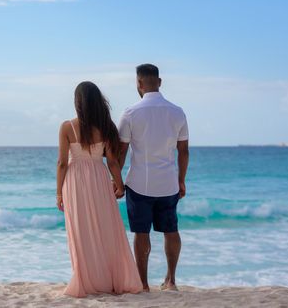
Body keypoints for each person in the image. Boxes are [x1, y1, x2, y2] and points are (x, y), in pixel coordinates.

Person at [56, 81, 143, 298]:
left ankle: (87, 279)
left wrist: (58, 193)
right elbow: (113, 162)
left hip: (75, 181)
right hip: (99, 178)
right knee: (106, 229)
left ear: (78, 102)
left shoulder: (68, 126)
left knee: (81, 231)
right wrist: (120, 185)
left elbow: (62, 163)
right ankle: (109, 279)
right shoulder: (106, 127)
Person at [118, 64, 189, 292]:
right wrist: (181, 180)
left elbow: (121, 151)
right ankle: (171, 281)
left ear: (139, 84)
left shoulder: (130, 113)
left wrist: (116, 181)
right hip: (168, 184)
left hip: (139, 184)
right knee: (171, 230)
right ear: (159, 82)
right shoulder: (177, 112)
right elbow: (184, 151)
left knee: (141, 233)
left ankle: (144, 283)